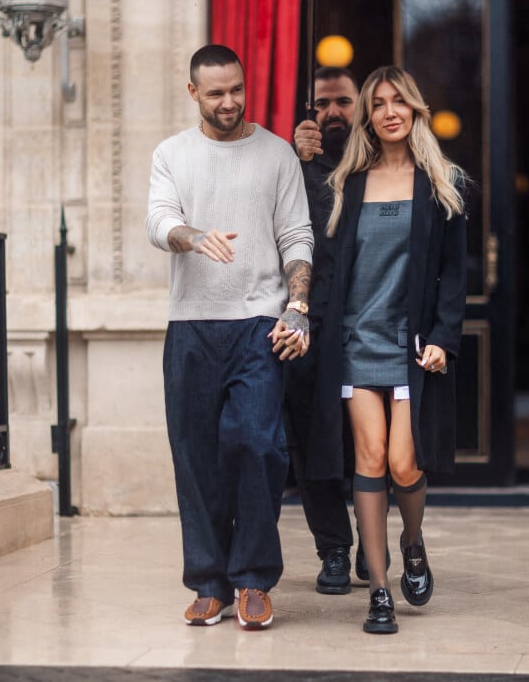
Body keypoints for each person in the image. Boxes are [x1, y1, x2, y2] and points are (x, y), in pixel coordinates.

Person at [146, 44, 313, 630]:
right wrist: (194, 237)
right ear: (193, 92)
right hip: (191, 323)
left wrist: (298, 307)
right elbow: (159, 220)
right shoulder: (172, 154)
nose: (229, 101)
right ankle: (209, 584)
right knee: (195, 457)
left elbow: (297, 236)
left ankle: (253, 579)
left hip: (259, 325)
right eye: (215, 92)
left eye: (236, 88)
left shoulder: (276, 154)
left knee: (257, 445)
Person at [312, 65, 467, 634]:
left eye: (399, 102)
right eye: (378, 104)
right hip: (355, 341)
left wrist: (445, 341)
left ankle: (413, 541)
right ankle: (379, 591)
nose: (389, 112)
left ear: (416, 110)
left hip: (410, 347)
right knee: (370, 459)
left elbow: (453, 276)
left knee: (405, 463)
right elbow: (328, 268)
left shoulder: (439, 182)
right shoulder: (348, 183)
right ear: (368, 117)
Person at [285, 67, 367, 595]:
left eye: (342, 101)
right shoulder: (295, 168)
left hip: (367, 326)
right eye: (322, 103)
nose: (332, 111)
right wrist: (296, 160)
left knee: (371, 445)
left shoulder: (381, 164)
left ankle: (375, 545)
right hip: (310, 327)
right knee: (316, 445)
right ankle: (333, 549)